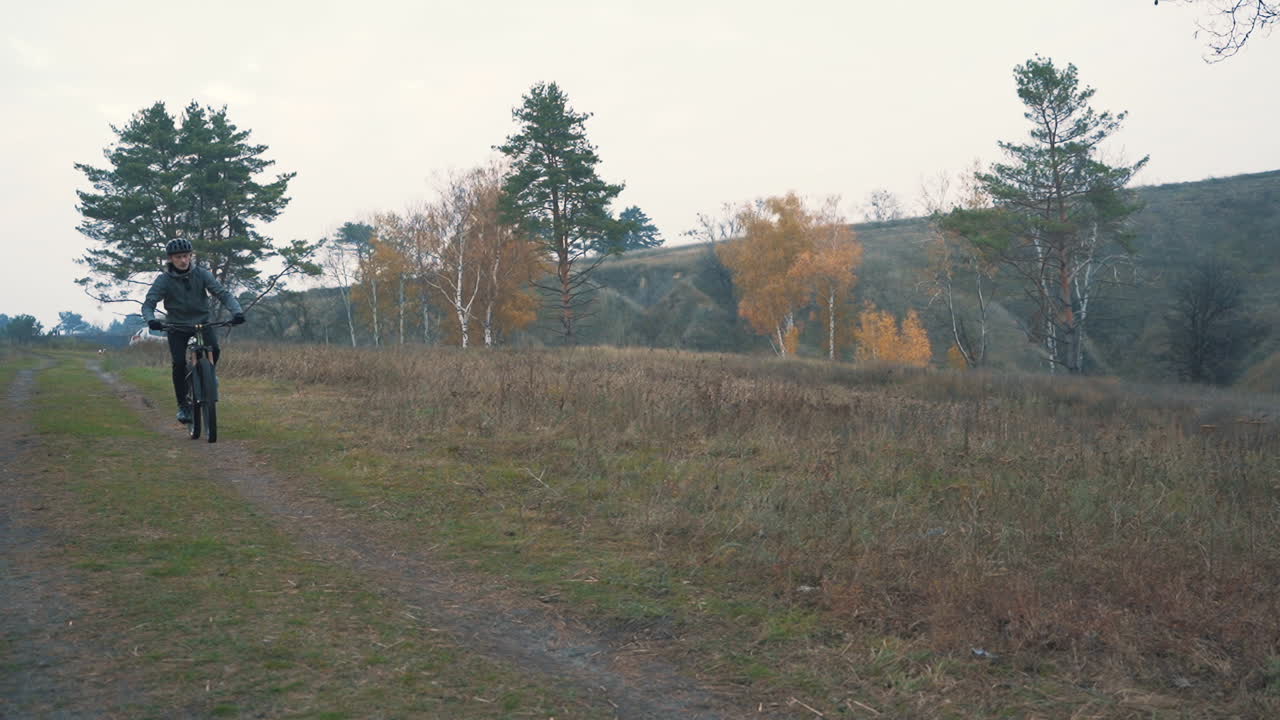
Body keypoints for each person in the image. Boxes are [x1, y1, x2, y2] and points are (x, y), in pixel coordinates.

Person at [140, 238, 246, 424]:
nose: (183, 260)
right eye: (178, 257)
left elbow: (223, 294)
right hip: (176, 326)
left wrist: (237, 312)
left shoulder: (202, 274)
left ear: (191, 256)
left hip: (201, 323)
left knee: (215, 349)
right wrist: (151, 320)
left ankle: (210, 376)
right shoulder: (163, 280)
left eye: (186, 256)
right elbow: (149, 304)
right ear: (171, 259)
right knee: (179, 363)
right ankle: (183, 406)